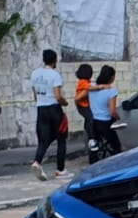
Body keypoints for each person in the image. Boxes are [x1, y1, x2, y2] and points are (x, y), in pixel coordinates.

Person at [29, 48, 69, 180]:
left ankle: (37, 161)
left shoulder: (35, 74)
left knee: (44, 139)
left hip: (41, 108)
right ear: (55, 60)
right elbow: (57, 95)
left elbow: (35, 94)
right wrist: (64, 102)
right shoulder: (55, 75)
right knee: (61, 138)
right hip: (54, 109)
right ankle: (60, 170)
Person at [88, 65, 123, 159]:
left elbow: (85, 88)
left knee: (94, 147)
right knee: (116, 146)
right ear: (111, 77)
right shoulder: (111, 91)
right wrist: (118, 117)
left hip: (94, 121)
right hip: (105, 122)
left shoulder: (92, 86)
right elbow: (112, 111)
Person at [74, 64, 97, 164]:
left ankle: (89, 131)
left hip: (84, 106)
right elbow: (89, 88)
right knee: (90, 118)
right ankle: (91, 135)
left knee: (89, 118)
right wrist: (101, 86)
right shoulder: (83, 82)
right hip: (83, 106)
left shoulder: (85, 82)